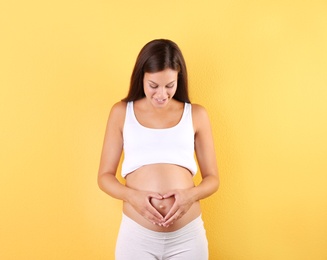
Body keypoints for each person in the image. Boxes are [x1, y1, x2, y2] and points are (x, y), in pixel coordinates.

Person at [98, 39, 219, 260]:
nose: (162, 94)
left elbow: (212, 179)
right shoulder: (121, 112)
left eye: (169, 85)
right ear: (141, 77)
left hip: (187, 238)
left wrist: (189, 196)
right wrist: (132, 197)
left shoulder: (197, 115)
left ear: (179, 79)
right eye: (153, 85)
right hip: (137, 237)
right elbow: (104, 177)